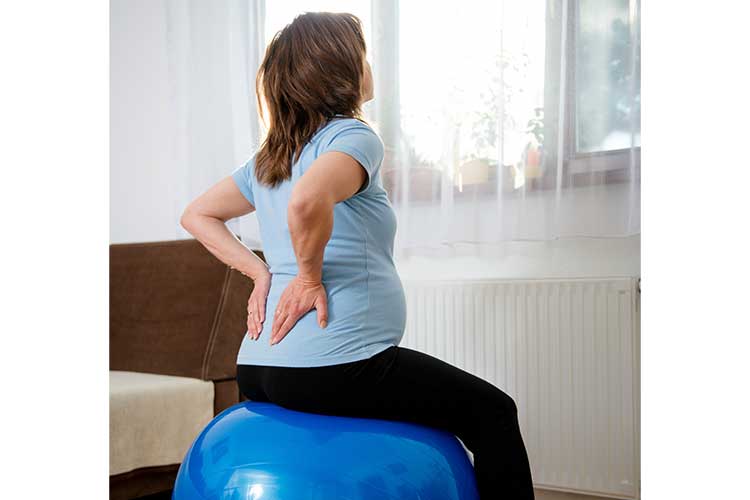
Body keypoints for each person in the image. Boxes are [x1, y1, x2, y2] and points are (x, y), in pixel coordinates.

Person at [180, 11, 535, 499]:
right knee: (495, 412)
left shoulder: (269, 159)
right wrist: (306, 278)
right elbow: (309, 200)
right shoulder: (353, 137)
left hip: (260, 367)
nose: (370, 65)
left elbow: (197, 214)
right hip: (334, 367)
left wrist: (258, 271)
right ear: (342, 67)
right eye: (363, 54)